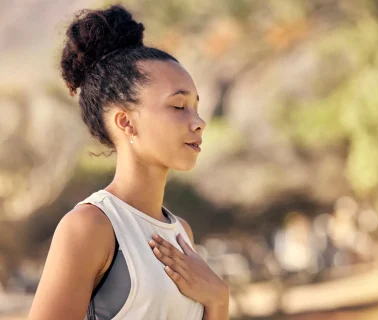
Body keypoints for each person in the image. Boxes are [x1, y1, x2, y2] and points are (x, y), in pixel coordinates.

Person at [28, 4, 229, 320]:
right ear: (126, 123)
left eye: (195, 107)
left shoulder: (181, 233)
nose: (198, 121)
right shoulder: (90, 228)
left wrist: (218, 299)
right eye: (179, 107)